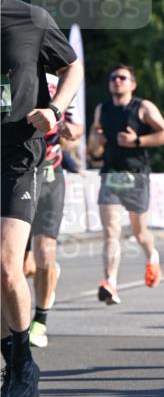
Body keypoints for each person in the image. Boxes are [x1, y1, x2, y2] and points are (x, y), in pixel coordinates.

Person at [1, 0, 83, 397]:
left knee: (6, 263)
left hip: (17, 157)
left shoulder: (28, 17)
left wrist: (56, 108)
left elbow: (72, 65)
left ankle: (23, 363)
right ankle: (15, 361)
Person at [88, 65, 164, 304]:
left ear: (132, 84)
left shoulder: (143, 107)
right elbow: (93, 147)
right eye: (113, 77)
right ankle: (110, 283)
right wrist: (98, 139)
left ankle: (152, 257)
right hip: (110, 175)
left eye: (122, 78)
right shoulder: (101, 109)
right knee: (110, 232)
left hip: (136, 175)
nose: (117, 81)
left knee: (139, 232)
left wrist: (137, 141)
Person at [24, 74, 84, 347]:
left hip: (49, 175)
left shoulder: (59, 79)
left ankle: (40, 322)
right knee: (19, 266)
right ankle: (45, 275)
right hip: (17, 174)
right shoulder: (8, 72)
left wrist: (71, 133)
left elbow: (76, 127)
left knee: (45, 252)